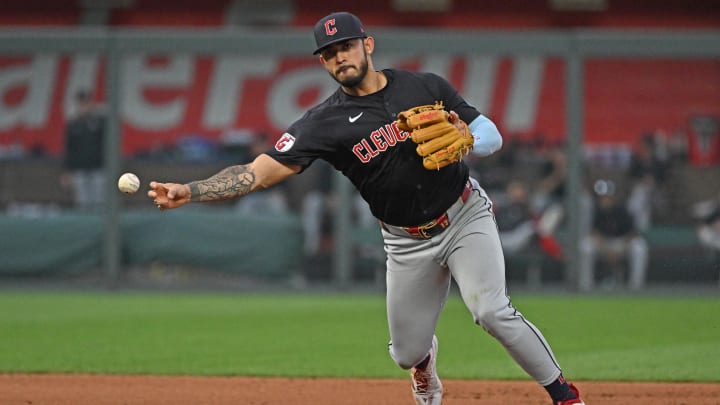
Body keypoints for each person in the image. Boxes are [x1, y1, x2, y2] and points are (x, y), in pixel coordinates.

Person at [147, 12, 585, 405]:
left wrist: (469, 139)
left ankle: (564, 396)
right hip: (405, 241)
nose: (340, 57)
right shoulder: (323, 123)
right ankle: (424, 363)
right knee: (405, 353)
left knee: (490, 311)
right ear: (322, 63)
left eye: (347, 46)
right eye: (330, 53)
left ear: (367, 45)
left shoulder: (423, 86)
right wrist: (192, 190)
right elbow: (258, 172)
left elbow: (490, 133)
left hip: (464, 215)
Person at [579, 180, 649, 291]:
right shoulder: (595, 210)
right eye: (602, 196)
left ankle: (636, 286)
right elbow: (593, 233)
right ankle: (586, 285)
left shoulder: (622, 210)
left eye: (607, 196)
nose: (604, 199)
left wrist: (619, 251)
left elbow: (632, 233)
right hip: (602, 244)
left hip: (620, 243)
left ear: (612, 197)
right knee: (586, 246)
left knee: (639, 247)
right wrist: (607, 250)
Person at [60, 90, 106, 211]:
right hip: (79, 169)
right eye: (82, 104)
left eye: (87, 103)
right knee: (82, 202)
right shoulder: (73, 124)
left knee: (99, 202)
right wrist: (66, 171)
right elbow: (69, 149)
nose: (84, 107)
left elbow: (107, 146)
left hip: (98, 168)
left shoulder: (100, 123)